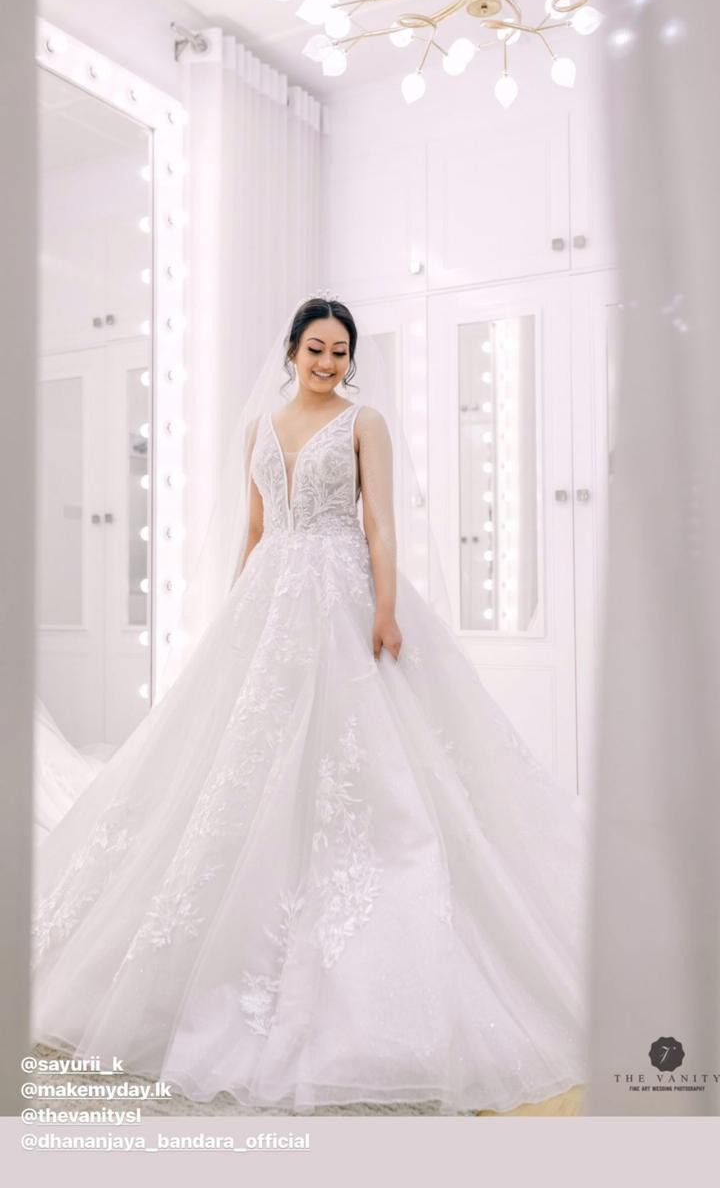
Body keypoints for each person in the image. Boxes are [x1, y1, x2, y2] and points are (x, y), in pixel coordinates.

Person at [31, 295, 590, 1115]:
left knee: (369, 770)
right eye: (317, 349)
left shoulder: (365, 425)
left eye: (341, 352)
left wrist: (388, 608)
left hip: (343, 598)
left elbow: (380, 526)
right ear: (291, 349)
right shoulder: (259, 427)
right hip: (267, 602)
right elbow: (255, 531)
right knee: (235, 776)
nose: (329, 363)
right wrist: (233, 618)